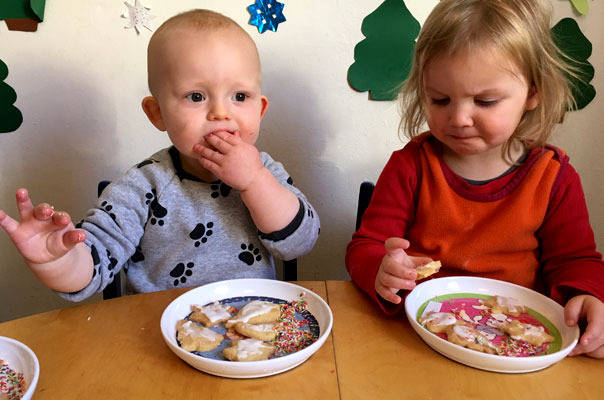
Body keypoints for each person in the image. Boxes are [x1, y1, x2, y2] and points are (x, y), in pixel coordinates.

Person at [0, 9, 320, 301]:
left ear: (260, 109)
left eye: (240, 96)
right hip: (159, 336)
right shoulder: (145, 186)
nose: (221, 113)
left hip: (253, 333)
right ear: (158, 114)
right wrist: (58, 261)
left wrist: (255, 182)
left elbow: (299, 244)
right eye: (196, 96)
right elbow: (95, 262)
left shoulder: (266, 171)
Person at [345, 0, 604, 358]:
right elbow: (366, 246)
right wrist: (381, 269)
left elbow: (576, 262)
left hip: (516, 346)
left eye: (485, 101)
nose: (459, 118)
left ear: (532, 92)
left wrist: (588, 296)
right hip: (419, 339)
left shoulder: (554, 178)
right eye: (440, 99)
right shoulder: (411, 166)